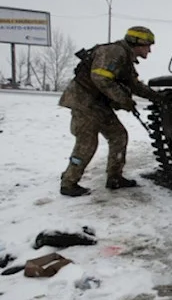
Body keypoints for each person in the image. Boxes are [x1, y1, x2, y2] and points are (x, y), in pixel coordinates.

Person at [58, 26, 162, 197]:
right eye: (147, 46)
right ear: (137, 43)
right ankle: (69, 183)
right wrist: (124, 100)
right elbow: (100, 79)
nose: (149, 50)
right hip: (84, 102)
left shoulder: (125, 58)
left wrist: (157, 97)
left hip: (99, 104)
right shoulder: (115, 52)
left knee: (118, 136)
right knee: (87, 143)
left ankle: (115, 177)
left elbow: (134, 85)